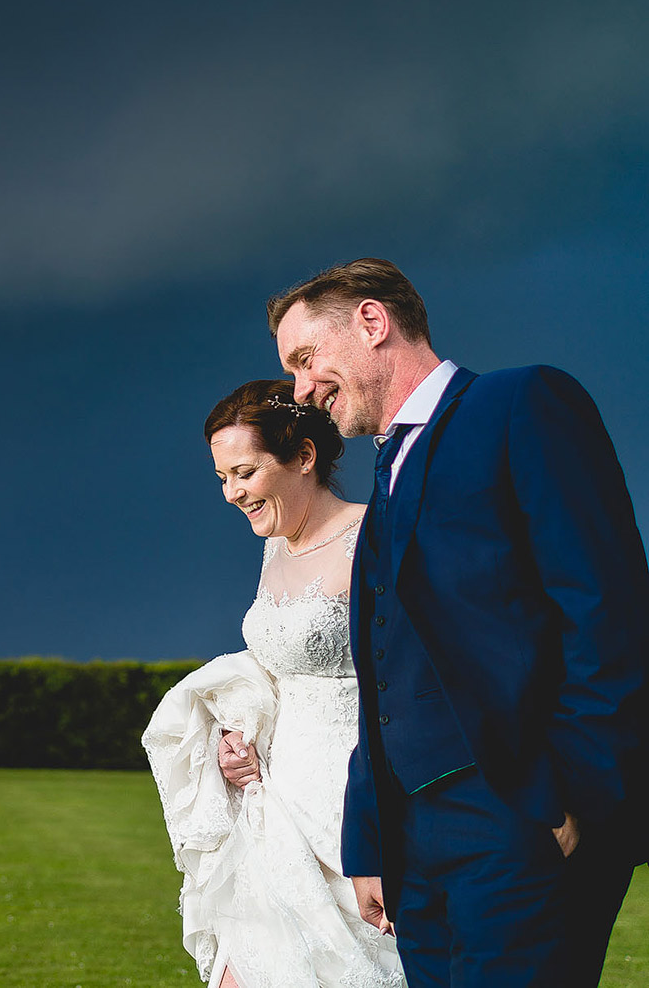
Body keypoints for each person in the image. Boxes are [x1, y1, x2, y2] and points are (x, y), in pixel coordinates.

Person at [269, 258, 649, 986]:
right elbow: (384, 673)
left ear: (373, 323)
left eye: (305, 357)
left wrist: (577, 791)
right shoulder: (385, 476)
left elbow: (607, 606)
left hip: (522, 819)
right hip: (417, 850)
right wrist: (371, 840)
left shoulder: (520, 403)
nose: (300, 388)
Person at [144, 379, 406, 987]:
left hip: (358, 799)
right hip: (277, 802)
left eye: (244, 472)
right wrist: (241, 737)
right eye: (222, 479)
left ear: (304, 458)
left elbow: (407, 676)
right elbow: (280, 672)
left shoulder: (376, 538)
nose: (232, 493)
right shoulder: (274, 551)